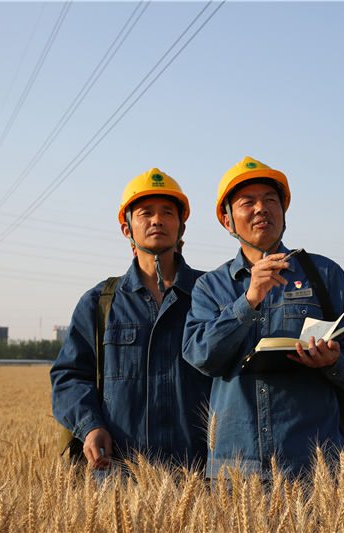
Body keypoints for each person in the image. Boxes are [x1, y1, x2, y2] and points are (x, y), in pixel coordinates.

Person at [182, 156, 344, 479]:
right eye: (248, 202)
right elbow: (200, 355)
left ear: (283, 213)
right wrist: (248, 302)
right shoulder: (210, 287)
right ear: (228, 221)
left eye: (270, 200)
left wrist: (332, 361)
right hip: (236, 474)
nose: (261, 209)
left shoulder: (325, 275)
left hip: (317, 471)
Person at [51, 168, 211, 472]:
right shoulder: (100, 303)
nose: (156, 220)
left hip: (200, 475)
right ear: (127, 228)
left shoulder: (211, 295)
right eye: (145, 213)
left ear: (181, 227)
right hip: (121, 479)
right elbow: (69, 377)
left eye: (167, 212)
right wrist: (89, 426)